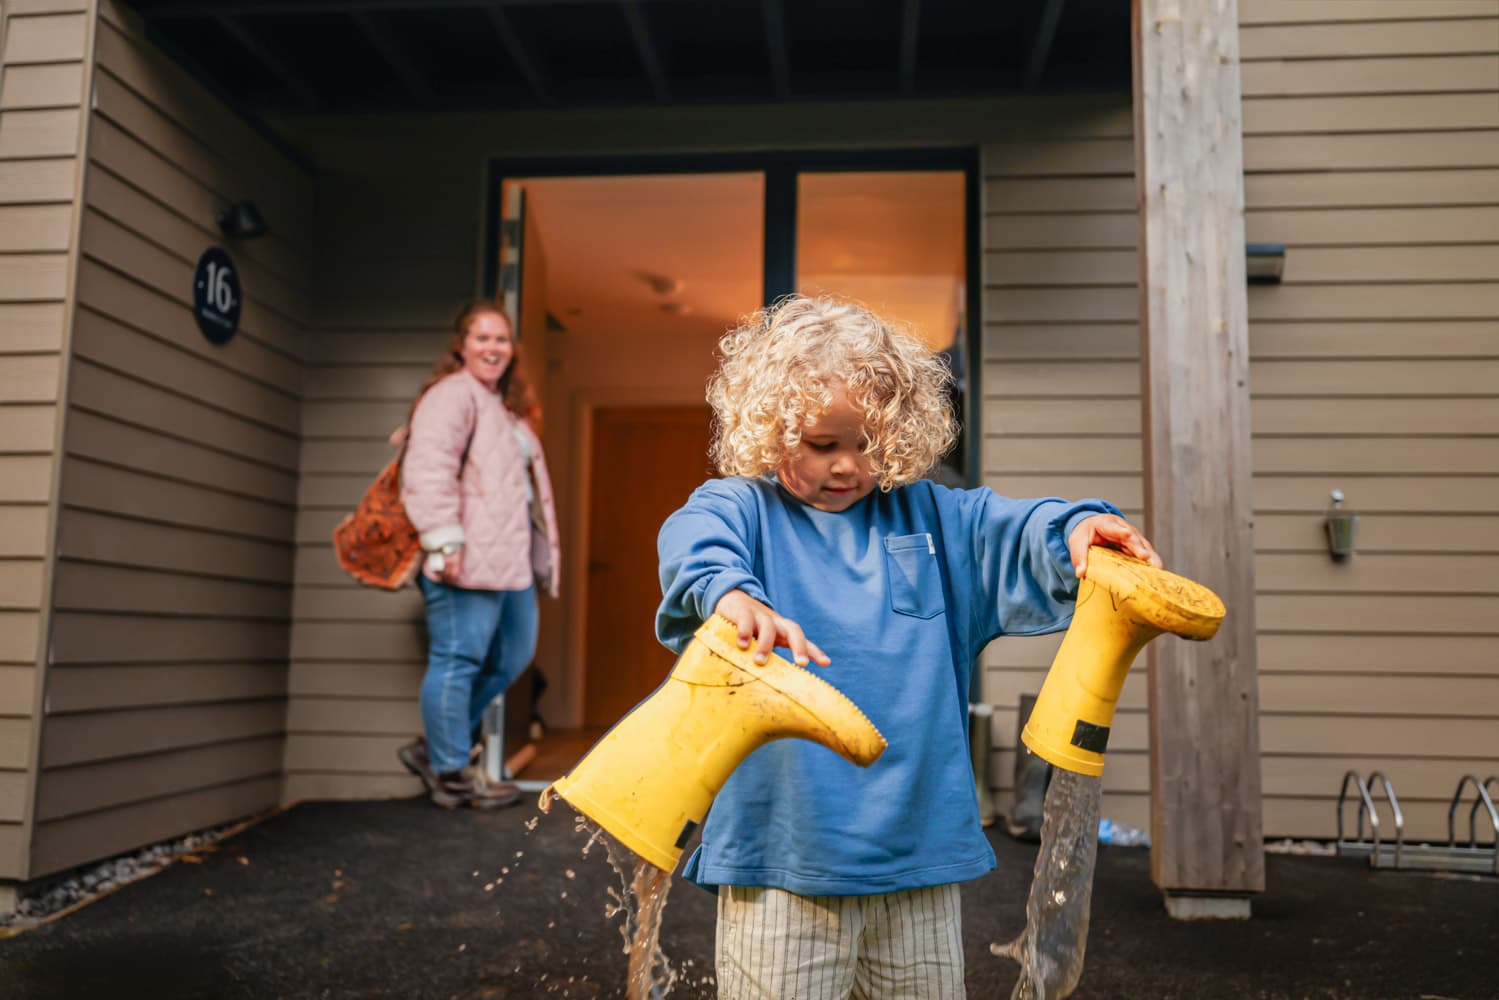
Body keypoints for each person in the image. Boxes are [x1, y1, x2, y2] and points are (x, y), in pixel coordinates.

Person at [655, 295, 1160, 998]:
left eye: (864, 443)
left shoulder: (932, 518)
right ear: (770, 432)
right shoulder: (742, 511)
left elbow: (1015, 528)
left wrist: (1073, 529)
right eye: (820, 445)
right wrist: (731, 594)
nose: (845, 466)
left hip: (915, 859)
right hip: (782, 860)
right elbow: (692, 543)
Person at [396, 299, 560, 809]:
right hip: (462, 559)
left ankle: (434, 748)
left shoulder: (503, 409)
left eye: (501, 339)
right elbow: (427, 468)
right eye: (482, 338)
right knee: (458, 658)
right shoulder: (451, 395)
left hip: (509, 565)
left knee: (513, 656)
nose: (493, 347)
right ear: (462, 346)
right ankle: (450, 772)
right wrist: (442, 541)